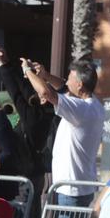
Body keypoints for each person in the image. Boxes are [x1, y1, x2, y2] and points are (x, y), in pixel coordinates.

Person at [19, 56, 104, 192]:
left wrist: (27, 70)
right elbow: (64, 88)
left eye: (70, 78)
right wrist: (45, 75)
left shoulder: (80, 109)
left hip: (70, 189)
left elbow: (46, 93)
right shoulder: (94, 104)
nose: (67, 81)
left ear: (80, 84)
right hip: (79, 186)